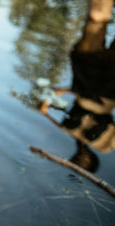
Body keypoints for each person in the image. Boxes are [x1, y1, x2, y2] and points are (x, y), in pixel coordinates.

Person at [38, 0, 115, 170]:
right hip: (111, 88)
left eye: (76, 162)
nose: (79, 160)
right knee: (96, 19)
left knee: (96, 18)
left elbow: (68, 94)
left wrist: (46, 102)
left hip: (85, 77)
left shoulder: (66, 129)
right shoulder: (106, 147)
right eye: (83, 165)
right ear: (91, 162)